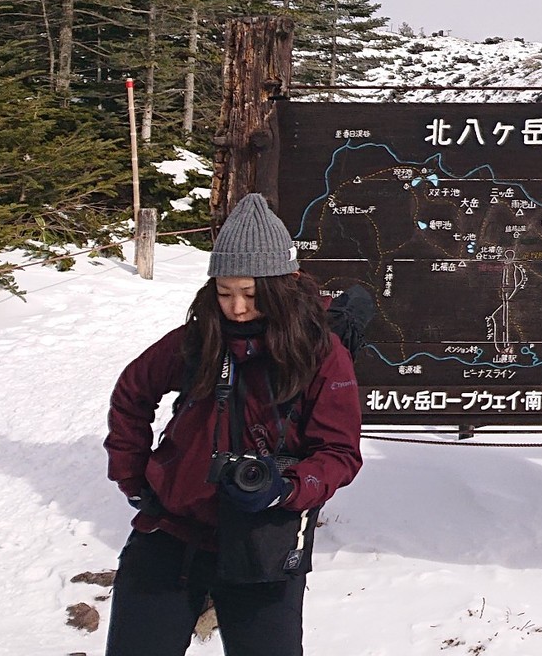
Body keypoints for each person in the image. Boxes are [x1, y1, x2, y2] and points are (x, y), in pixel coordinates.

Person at [103, 194, 363, 655]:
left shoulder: (319, 353)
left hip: (265, 537)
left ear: (282, 285)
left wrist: (287, 488)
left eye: (250, 293)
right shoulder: (199, 337)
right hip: (172, 528)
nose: (237, 308)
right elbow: (132, 392)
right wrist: (133, 476)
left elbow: (339, 453)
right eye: (225, 293)